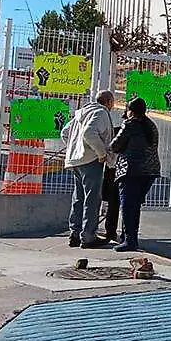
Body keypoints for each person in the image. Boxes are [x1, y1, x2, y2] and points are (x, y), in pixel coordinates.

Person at [61, 90, 115, 249]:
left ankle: (75, 234)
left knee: (78, 198)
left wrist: (75, 149)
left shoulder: (83, 112)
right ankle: (88, 236)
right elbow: (89, 133)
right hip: (91, 160)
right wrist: (101, 153)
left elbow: (65, 133)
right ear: (108, 102)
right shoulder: (101, 113)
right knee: (92, 199)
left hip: (75, 161)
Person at [110, 98, 162, 252]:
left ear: (130, 111)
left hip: (131, 171)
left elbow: (114, 146)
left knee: (127, 206)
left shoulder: (130, 124)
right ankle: (131, 238)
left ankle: (129, 240)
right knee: (135, 206)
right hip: (149, 172)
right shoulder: (150, 125)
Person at [101, 125, 122, 242]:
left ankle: (109, 231)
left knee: (111, 202)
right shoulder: (125, 131)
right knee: (115, 203)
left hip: (111, 168)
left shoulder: (113, 131)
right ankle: (112, 232)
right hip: (119, 169)